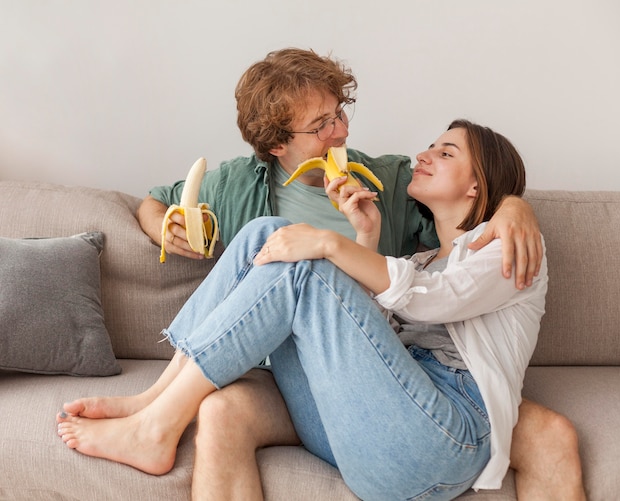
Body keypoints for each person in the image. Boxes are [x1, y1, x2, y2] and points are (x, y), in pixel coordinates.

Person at [59, 49, 585, 500]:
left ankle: (157, 423)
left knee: (301, 263)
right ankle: (157, 401)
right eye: (320, 125)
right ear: (277, 146)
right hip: (367, 423)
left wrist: (515, 204)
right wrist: (363, 238)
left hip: (442, 435)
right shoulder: (412, 257)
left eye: (444, 152)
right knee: (268, 230)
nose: (422, 154)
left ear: (477, 189)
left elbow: (436, 297)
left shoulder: (497, 246)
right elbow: (369, 339)